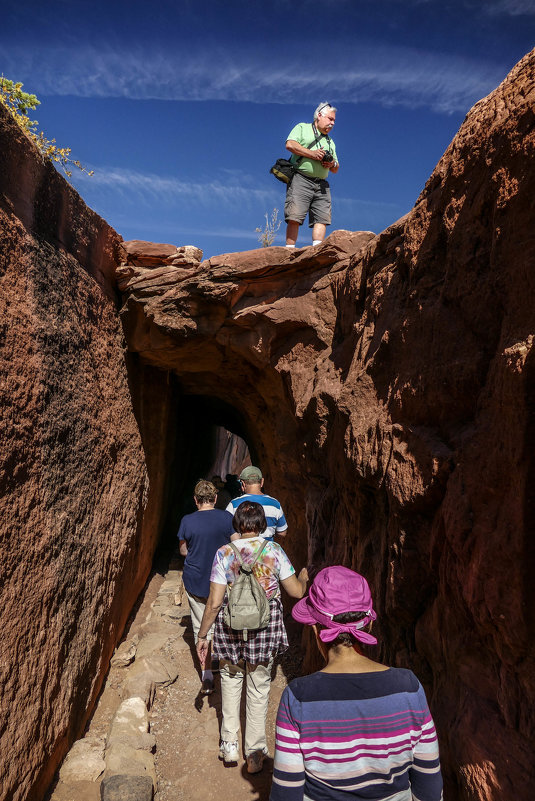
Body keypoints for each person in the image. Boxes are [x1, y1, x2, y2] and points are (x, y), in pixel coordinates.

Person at [270, 566, 443, 801]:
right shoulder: (409, 688)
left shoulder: (297, 697)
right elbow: (429, 788)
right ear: (369, 624)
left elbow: (286, 794)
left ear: (315, 628)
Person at [196, 501, 308, 775]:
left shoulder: (224, 553)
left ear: (237, 525)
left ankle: (230, 744)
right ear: (261, 524)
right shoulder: (273, 551)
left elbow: (214, 602)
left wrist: (202, 635)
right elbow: (294, 592)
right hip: (264, 629)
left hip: (230, 627)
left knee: (231, 682)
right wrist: (304, 579)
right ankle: (255, 754)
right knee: (259, 687)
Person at [178, 479, 234, 695]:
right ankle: (224, 664)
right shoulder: (226, 518)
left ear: (196, 500)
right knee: (223, 621)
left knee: (200, 625)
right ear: (215, 498)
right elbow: (235, 544)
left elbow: (183, 551)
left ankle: (207, 674)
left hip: (196, 579)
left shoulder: (187, 521)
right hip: (222, 580)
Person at [284, 102, 340, 249]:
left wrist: (331, 164)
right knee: (294, 216)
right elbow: (290, 144)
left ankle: (317, 250)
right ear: (319, 115)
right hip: (301, 178)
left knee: (322, 218)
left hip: (321, 183)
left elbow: (336, 168)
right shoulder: (302, 128)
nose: (332, 123)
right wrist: (313, 154)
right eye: (330, 119)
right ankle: (288, 252)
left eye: (334, 120)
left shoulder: (330, 142)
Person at [225, 465, 288, 541]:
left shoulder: (233, 504)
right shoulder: (275, 504)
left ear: (243, 484)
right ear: (262, 482)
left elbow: (226, 530)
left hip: (242, 551)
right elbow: (282, 532)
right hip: (266, 551)